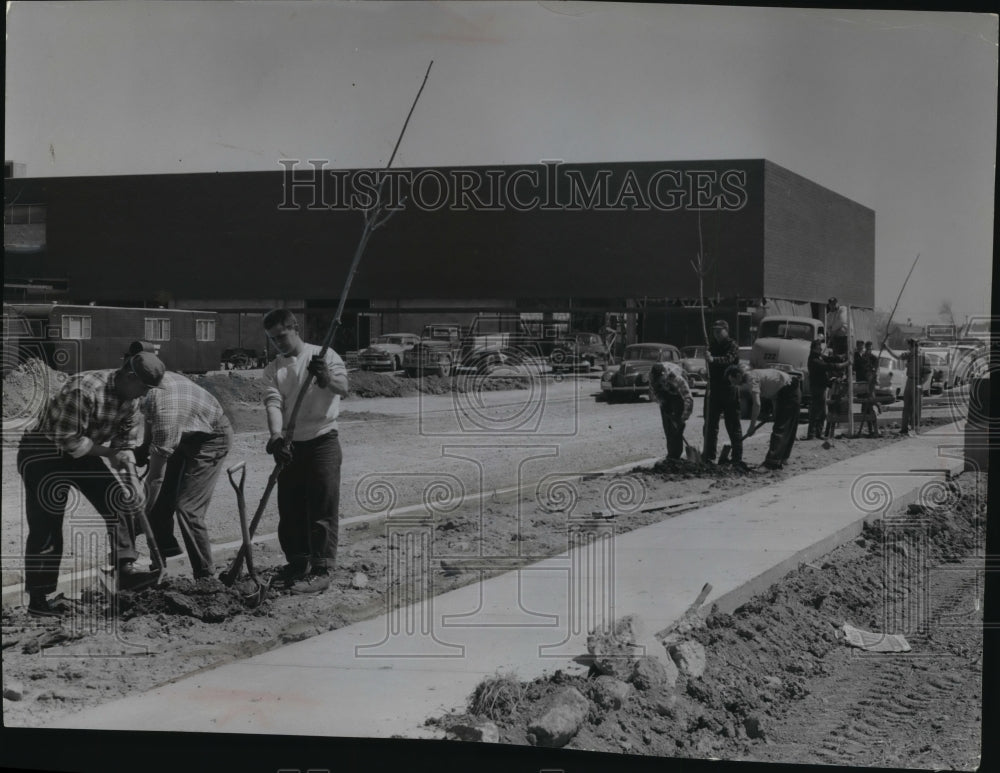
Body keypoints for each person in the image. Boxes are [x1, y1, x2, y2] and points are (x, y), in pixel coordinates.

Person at [16, 352, 165, 618]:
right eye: (144, 387)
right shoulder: (83, 389)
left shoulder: (132, 400)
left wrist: (131, 479)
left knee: (119, 499)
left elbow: (124, 444)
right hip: (44, 453)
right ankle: (38, 600)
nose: (145, 394)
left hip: (83, 452)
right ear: (130, 376)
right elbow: (69, 441)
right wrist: (110, 454)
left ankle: (125, 570)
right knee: (47, 524)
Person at [261, 309, 349, 594]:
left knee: (322, 505)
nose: (278, 343)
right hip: (290, 444)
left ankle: (321, 569)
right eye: (272, 339)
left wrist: (324, 376)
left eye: (281, 336)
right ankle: (298, 563)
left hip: (323, 439)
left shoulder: (324, 355)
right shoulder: (274, 368)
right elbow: (273, 403)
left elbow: (343, 388)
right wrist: (276, 436)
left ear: (295, 328)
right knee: (290, 507)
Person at [138, 353, 234, 580]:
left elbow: (156, 478)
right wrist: (144, 447)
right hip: (185, 432)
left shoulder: (166, 410)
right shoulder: (150, 385)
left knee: (187, 508)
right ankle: (165, 564)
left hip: (212, 436)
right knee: (161, 505)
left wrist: (142, 509)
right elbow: (150, 419)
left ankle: (205, 576)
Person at [727, 365, 802, 470]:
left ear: (739, 375)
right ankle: (783, 459)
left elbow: (757, 404)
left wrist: (752, 426)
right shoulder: (754, 374)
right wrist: (775, 410)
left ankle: (772, 462)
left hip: (789, 390)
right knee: (787, 427)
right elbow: (774, 391)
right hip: (791, 389)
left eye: (734, 380)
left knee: (780, 429)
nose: (734, 384)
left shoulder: (751, 378)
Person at [702, 320, 743, 466]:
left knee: (732, 424)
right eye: (714, 330)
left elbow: (729, 360)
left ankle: (737, 457)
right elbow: (710, 364)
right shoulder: (711, 345)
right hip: (713, 388)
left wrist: (713, 359)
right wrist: (707, 363)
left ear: (726, 331)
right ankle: (708, 455)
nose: (716, 333)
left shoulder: (732, 345)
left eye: (719, 331)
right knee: (710, 424)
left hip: (729, 388)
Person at [648, 361, 694, 461]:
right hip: (665, 396)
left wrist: (683, 418)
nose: (659, 381)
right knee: (668, 426)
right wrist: (663, 404)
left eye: (660, 380)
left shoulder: (676, 378)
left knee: (677, 426)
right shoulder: (652, 377)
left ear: (664, 375)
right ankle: (671, 454)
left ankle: (676, 455)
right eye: (657, 380)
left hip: (678, 396)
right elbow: (653, 394)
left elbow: (688, 398)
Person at [805, 340, 847, 440]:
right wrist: (844, 364)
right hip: (817, 388)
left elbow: (829, 359)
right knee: (817, 412)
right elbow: (827, 366)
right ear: (814, 348)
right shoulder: (814, 360)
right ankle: (812, 434)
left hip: (821, 387)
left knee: (820, 412)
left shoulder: (819, 357)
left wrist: (841, 356)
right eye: (819, 347)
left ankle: (817, 433)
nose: (821, 349)